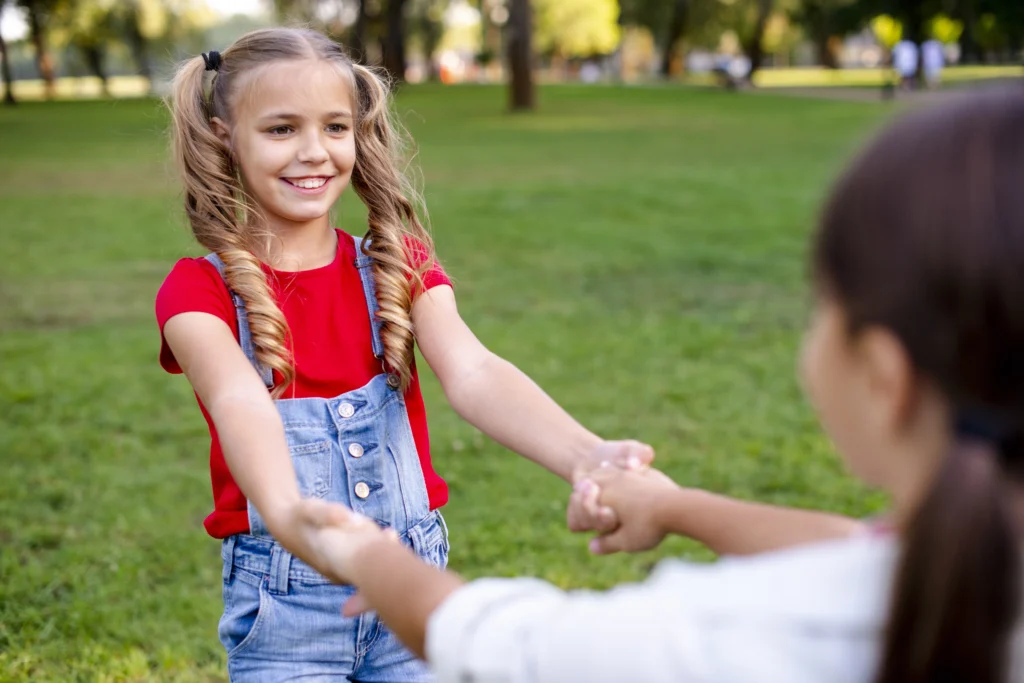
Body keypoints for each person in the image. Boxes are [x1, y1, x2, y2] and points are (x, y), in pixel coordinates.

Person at [310, 87, 1024, 682]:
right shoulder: (950, 575)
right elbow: (852, 546)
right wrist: (675, 506)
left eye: (821, 308)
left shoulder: (739, 637)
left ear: (883, 378)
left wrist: (369, 556)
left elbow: (511, 645)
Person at [156, 27, 652, 682]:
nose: (314, 152)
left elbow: (474, 372)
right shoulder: (198, 290)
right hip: (287, 606)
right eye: (281, 129)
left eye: (335, 127)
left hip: (413, 588)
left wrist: (585, 454)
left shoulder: (398, 265)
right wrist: (289, 513)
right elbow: (238, 399)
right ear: (224, 132)